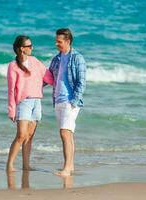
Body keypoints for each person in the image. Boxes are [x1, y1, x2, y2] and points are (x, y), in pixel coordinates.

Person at [6, 35, 53, 172]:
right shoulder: (13, 66)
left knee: (29, 136)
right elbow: (11, 90)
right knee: (21, 135)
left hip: (37, 102)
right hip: (23, 103)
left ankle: (26, 165)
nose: (32, 48)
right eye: (29, 46)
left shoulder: (35, 61)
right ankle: (10, 165)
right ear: (22, 49)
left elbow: (48, 77)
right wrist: (12, 110)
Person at [49, 28, 86, 176]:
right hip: (58, 101)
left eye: (59, 41)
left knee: (65, 133)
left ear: (68, 41)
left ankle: (66, 168)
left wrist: (74, 101)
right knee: (68, 134)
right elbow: (48, 77)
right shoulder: (56, 59)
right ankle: (70, 167)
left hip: (70, 102)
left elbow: (81, 82)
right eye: (56, 41)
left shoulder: (78, 58)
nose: (56, 43)